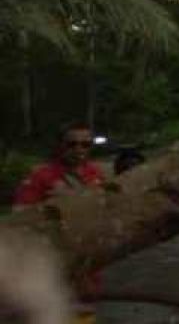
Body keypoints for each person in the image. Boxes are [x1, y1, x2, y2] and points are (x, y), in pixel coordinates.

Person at [12, 123, 106, 324]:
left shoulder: (95, 174)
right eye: (72, 144)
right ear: (60, 146)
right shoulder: (41, 177)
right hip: (52, 268)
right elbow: (19, 219)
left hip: (87, 271)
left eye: (85, 144)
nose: (79, 150)